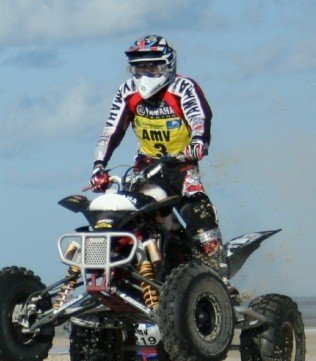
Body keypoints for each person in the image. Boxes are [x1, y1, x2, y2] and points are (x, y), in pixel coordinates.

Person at [88, 34, 228, 281]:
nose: (145, 72)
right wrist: (99, 165)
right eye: (139, 66)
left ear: (166, 64)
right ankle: (123, 269)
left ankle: (219, 277)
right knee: (127, 215)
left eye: (151, 65)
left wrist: (198, 142)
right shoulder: (127, 90)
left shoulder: (183, 87)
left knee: (199, 213)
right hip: (145, 167)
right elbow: (112, 129)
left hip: (181, 165)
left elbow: (200, 118)